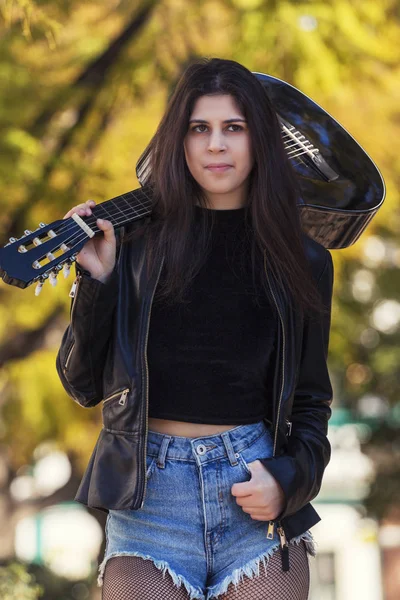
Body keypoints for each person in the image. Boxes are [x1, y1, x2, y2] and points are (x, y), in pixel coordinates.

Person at [56, 57, 334, 600]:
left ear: (260, 140)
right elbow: (83, 385)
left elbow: (310, 400)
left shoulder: (304, 260)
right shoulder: (132, 247)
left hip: (254, 492)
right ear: (177, 142)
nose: (215, 146)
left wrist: (289, 482)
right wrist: (98, 282)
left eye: (234, 128)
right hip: (149, 500)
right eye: (198, 129)